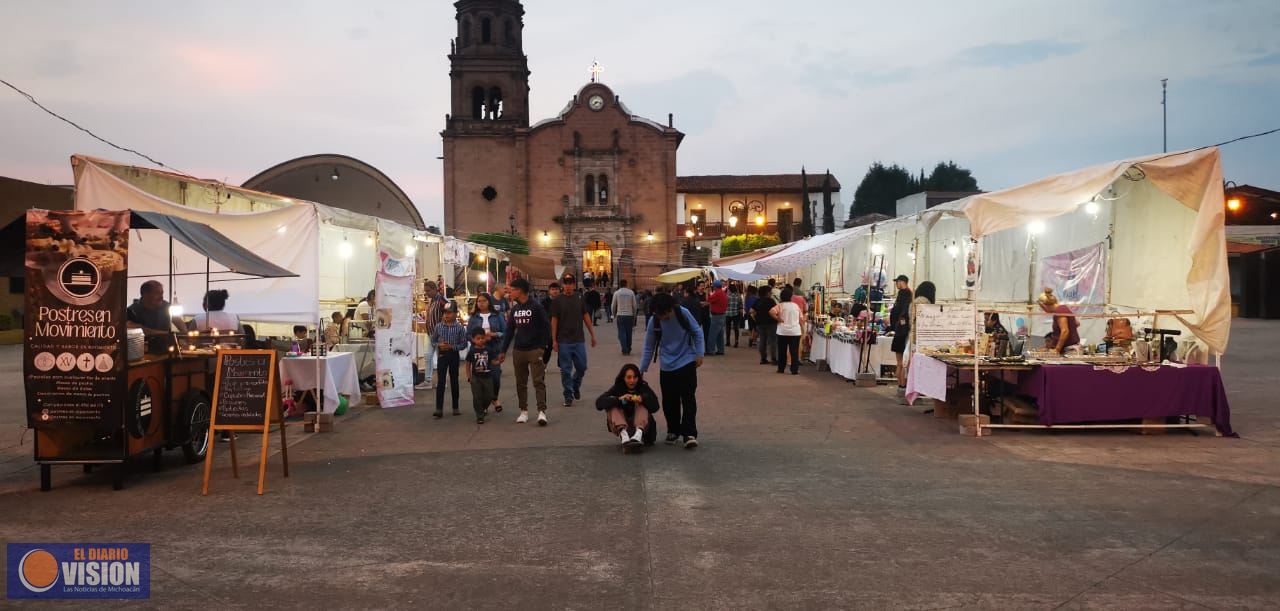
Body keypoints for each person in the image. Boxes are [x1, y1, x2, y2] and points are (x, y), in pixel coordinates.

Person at [639, 293, 705, 449]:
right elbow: (648, 347)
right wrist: (641, 369)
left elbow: (697, 332)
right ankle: (673, 430)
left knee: (688, 399)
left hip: (687, 361)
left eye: (665, 314)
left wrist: (699, 353)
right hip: (667, 365)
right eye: (659, 315)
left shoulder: (683, 313)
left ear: (671, 308)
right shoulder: (654, 321)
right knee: (669, 401)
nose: (663, 318)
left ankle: (689, 433)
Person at [498, 278, 552, 425]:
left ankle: (542, 411)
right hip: (519, 350)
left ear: (520, 290)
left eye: (512, 289)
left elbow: (546, 328)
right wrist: (503, 350)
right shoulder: (515, 310)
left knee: (538, 381)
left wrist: (543, 347)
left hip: (535, 350)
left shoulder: (536, 307)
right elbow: (509, 331)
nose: (510, 292)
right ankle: (524, 411)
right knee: (520, 382)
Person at [550, 275, 596, 407]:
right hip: (563, 340)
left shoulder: (579, 298)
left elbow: (585, 316)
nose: (568, 285)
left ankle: (575, 385)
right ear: (563, 285)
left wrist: (592, 334)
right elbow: (554, 321)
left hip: (578, 340)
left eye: (570, 283)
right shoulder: (557, 301)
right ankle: (568, 394)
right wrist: (554, 340)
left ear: (574, 285)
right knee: (565, 370)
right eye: (566, 283)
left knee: (582, 367)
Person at [596, 364, 660, 449]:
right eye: (629, 377)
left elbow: (656, 406)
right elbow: (599, 403)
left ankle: (638, 435)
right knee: (612, 404)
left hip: (642, 427)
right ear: (623, 378)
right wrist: (619, 399)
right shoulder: (618, 388)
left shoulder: (643, 387)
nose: (632, 381)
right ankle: (623, 434)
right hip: (623, 426)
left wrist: (642, 399)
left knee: (642, 403)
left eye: (635, 377)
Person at [467, 293, 507, 413]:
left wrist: (494, 335)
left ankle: (494, 398)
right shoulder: (474, 317)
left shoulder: (497, 315)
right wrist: (477, 340)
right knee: (481, 379)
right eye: (479, 301)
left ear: (489, 302)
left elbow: (505, 332)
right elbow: (468, 334)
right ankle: (483, 405)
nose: (481, 303)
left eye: (484, 301)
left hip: (494, 349)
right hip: (479, 351)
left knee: (495, 377)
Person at [127, 280, 187, 353]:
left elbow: (179, 322)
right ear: (145, 294)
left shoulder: (166, 306)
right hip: (142, 353)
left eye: (162, 293)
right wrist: (166, 333)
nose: (161, 297)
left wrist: (185, 336)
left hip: (166, 351)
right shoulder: (132, 310)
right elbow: (141, 330)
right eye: (157, 293)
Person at [430, 304, 467, 419]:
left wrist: (452, 347)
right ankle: (439, 408)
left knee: (454, 380)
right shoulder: (439, 327)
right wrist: (439, 345)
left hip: (453, 355)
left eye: (449, 312)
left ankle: (455, 407)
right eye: (445, 312)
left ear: (456, 314)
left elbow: (464, 344)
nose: (446, 315)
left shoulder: (460, 328)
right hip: (442, 355)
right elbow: (433, 340)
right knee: (441, 381)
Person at [465, 327, 499, 424]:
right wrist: (469, 376)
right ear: (473, 339)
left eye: (482, 338)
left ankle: (483, 408)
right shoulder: (472, 351)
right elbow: (468, 364)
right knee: (477, 397)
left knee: (489, 396)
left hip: (488, 377)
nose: (480, 340)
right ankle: (479, 415)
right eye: (478, 338)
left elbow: (493, 362)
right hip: (476, 378)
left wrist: (499, 361)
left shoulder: (488, 350)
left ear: (485, 338)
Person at [889, 275, 913, 394]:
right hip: (901, 330)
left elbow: (901, 311)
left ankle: (902, 385)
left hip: (901, 332)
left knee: (901, 362)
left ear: (902, 282)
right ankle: (901, 385)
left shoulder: (905, 293)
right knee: (901, 362)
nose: (896, 284)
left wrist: (898, 324)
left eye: (897, 282)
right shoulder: (908, 293)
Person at [421, 281, 448, 389]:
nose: (426, 293)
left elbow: (449, 314)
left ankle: (442, 381)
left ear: (434, 289)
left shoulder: (442, 300)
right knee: (427, 357)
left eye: (428, 290)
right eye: (425, 291)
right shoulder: (432, 301)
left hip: (440, 335)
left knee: (441, 358)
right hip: (430, 333)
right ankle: (427, 380)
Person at [772, 286, 805, 375]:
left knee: (782, 351)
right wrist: (802, 329)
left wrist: (777, 318)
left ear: (781, 297)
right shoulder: (796, 306)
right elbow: (801, 319)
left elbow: (771, 311)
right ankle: (794, 370)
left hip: (782, 331)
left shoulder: (780, 305)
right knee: (794, 351)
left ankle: (781, 369)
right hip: (795, 332)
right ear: (791, 297)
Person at [1038, 288, 1080, 355]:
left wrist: (1057, 349)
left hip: (1069, 350)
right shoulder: (1062, 308)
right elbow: (1077, 323)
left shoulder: (1059, 311)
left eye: (1042, 308)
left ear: (1045, 305)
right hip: (1068, 348)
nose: (1044, 310)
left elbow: (1065, 331)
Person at [751, 286, 778, 365]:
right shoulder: (771, 301)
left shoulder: (757, 301)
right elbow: (775, 311)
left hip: (760, 323)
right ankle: (773, 358)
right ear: (767, 293)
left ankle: (763, 358)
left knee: (763, 340)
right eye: (770, 292)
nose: (771, 293)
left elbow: (751, 311)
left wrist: (756, 318)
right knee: (773, 341)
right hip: (771, 323)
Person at [611, 279, 638, 355]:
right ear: (626, 284)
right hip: (629, 315)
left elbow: (613, 305)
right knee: (629, 332)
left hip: (620, 315)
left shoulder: (617, 293)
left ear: (620, 284)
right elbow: (635, 306)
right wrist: (634, 315)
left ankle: (624, 348)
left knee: (622, 332)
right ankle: (629, 347)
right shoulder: (631, 292)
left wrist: (613, 314)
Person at [706, 280, 728, 355]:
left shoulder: (717, 293)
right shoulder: (723, 293)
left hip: (716, 316)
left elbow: (708, 299)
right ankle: (721, 350)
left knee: (712, 334)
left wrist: (707, 292)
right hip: (722, 315)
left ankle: (710, 350)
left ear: (715, 287)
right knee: (719, 335)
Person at [726, 282, 744, 349]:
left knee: (728, 328)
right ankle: (736, 341)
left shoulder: (727, 296)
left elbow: (725, 304)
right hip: (736, 313)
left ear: (729, 289)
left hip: (727, 313)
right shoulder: (738, 295)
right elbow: (741, 305)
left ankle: (728, 341)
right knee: (736, 328)